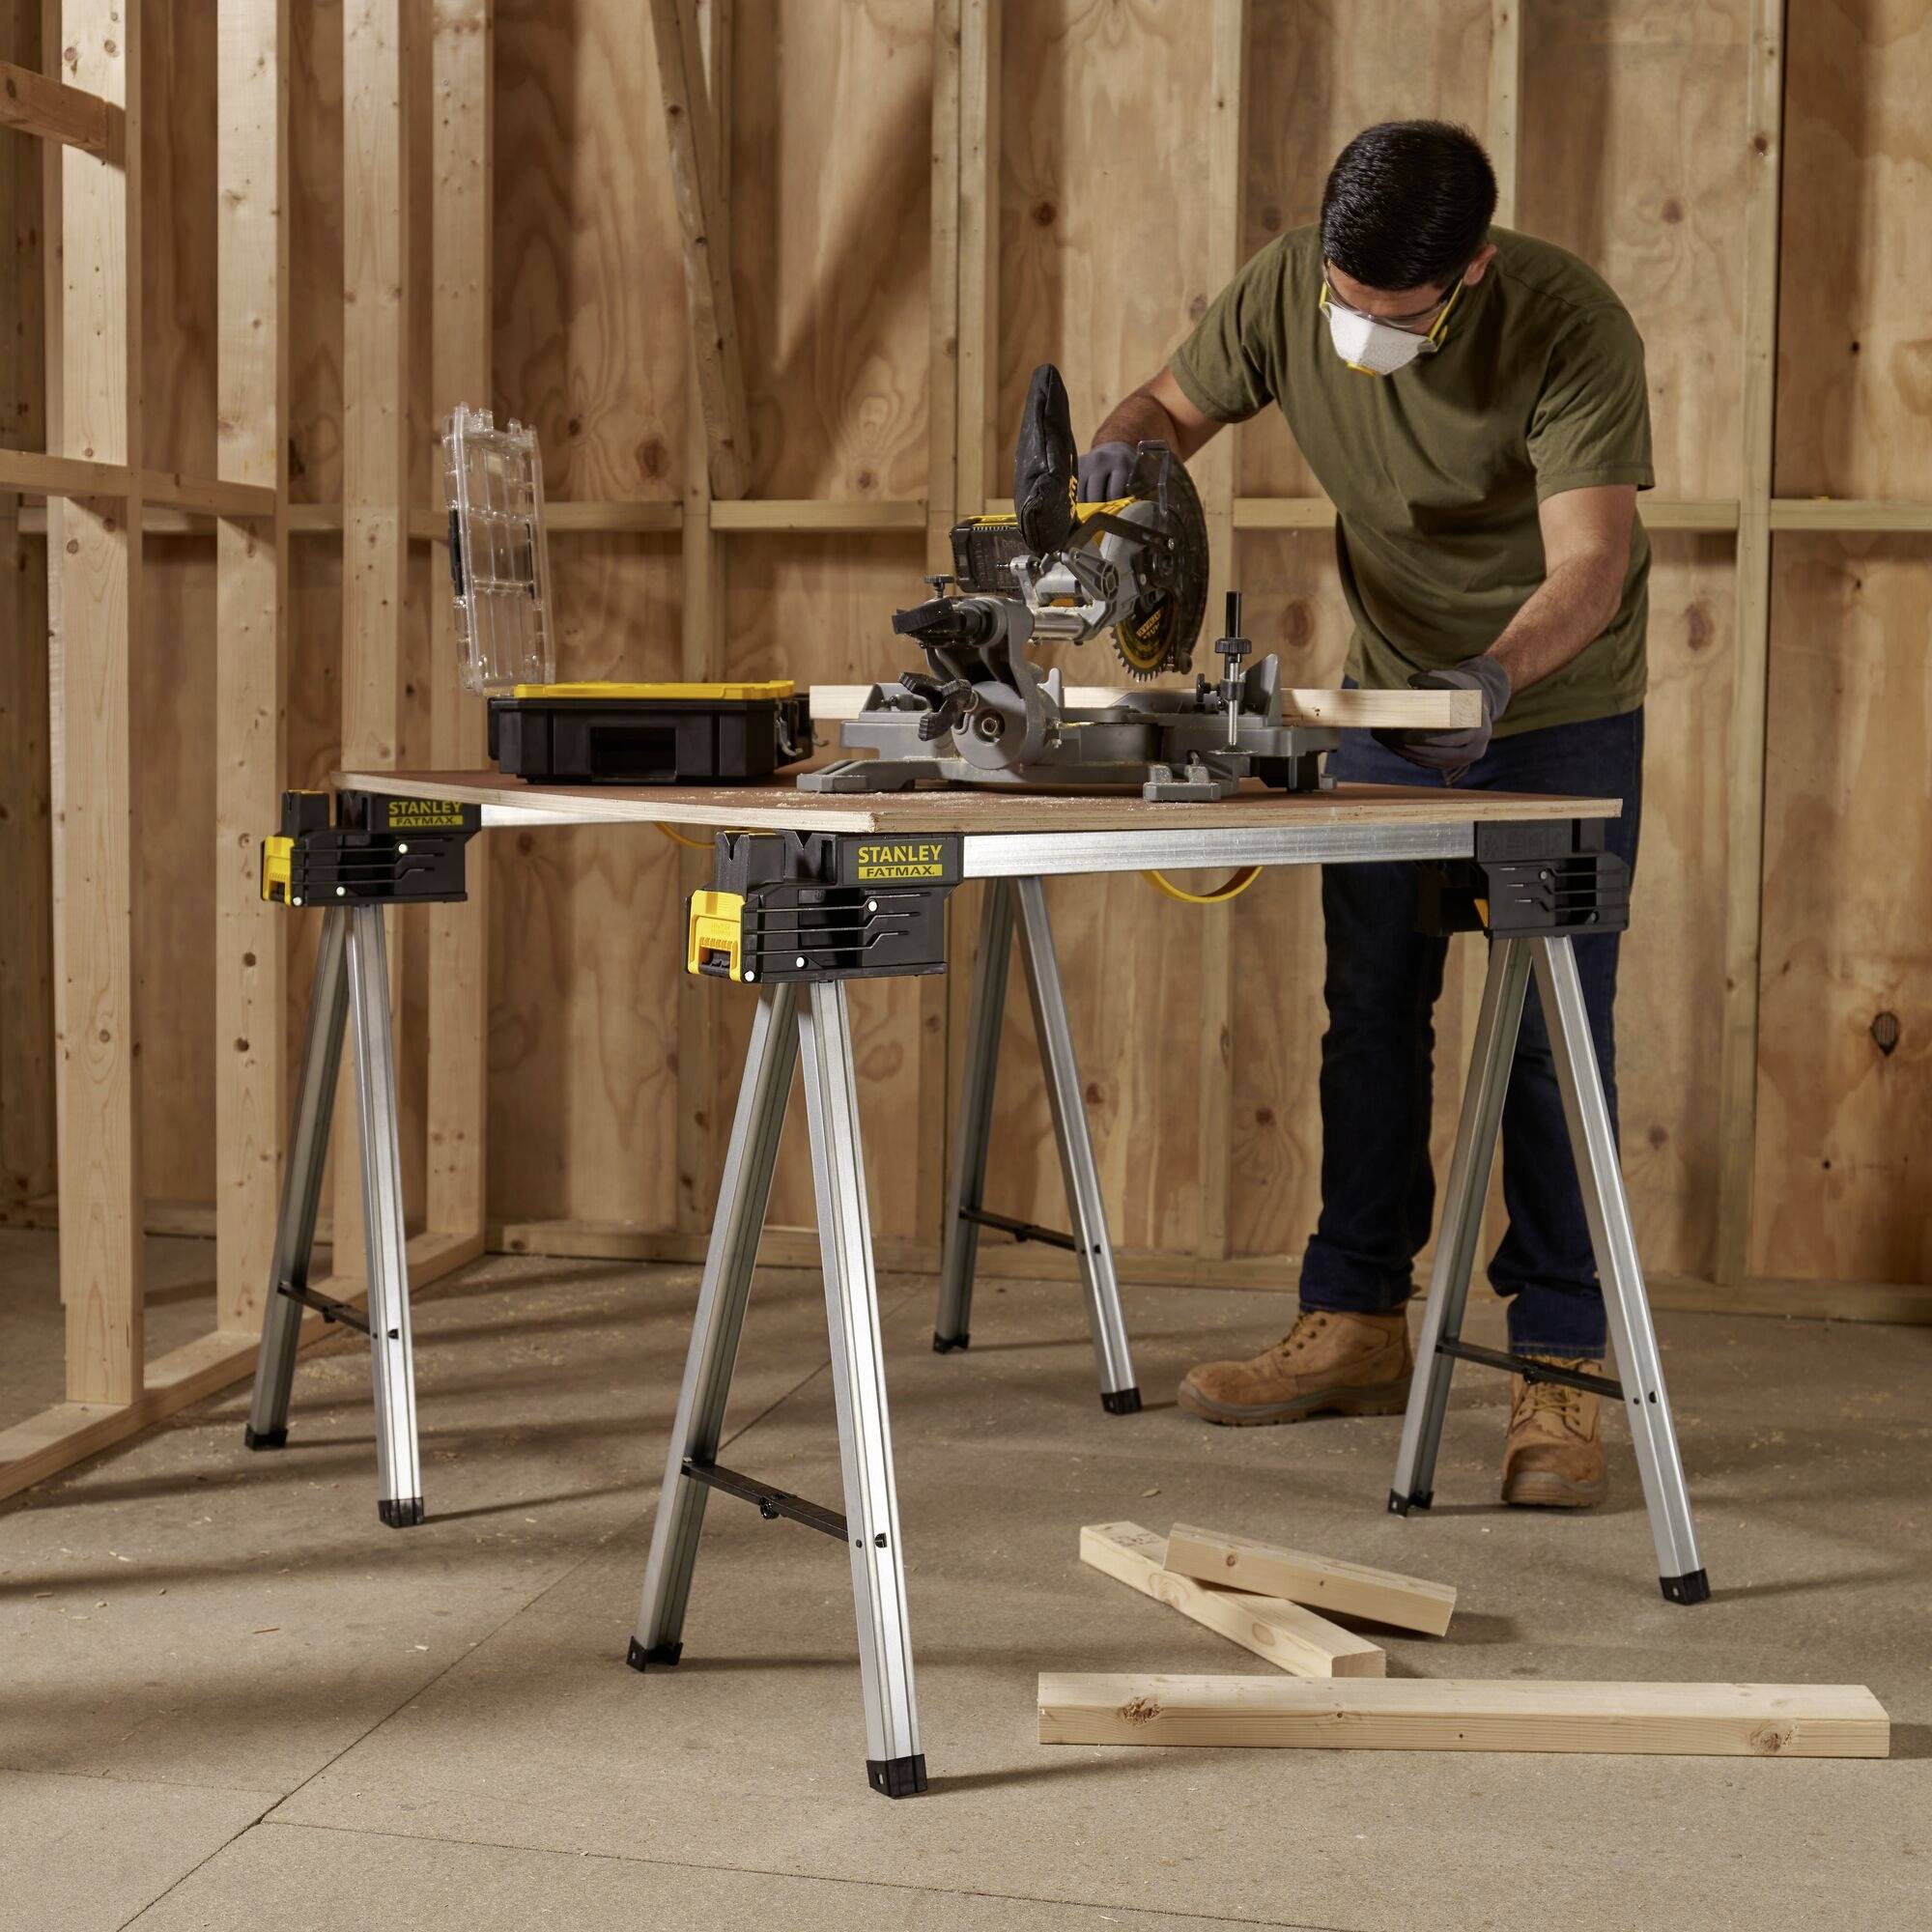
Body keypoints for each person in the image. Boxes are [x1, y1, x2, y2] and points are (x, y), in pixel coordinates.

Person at [1080, 121, 1652, 1507]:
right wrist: (1119, 478)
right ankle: (1357, 1322)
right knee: (1373, 1003)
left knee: (1547, 1035)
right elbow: (1158, 408)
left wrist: (1491, 680)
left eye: (1394, 317)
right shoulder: (1288, 288)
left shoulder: (1569, 323)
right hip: (1390, 703)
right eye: (1345, 300)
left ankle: (1563, 1372)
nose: (1356, 332)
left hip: (1553, 697)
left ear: (1470, 275)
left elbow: (1593, 560)